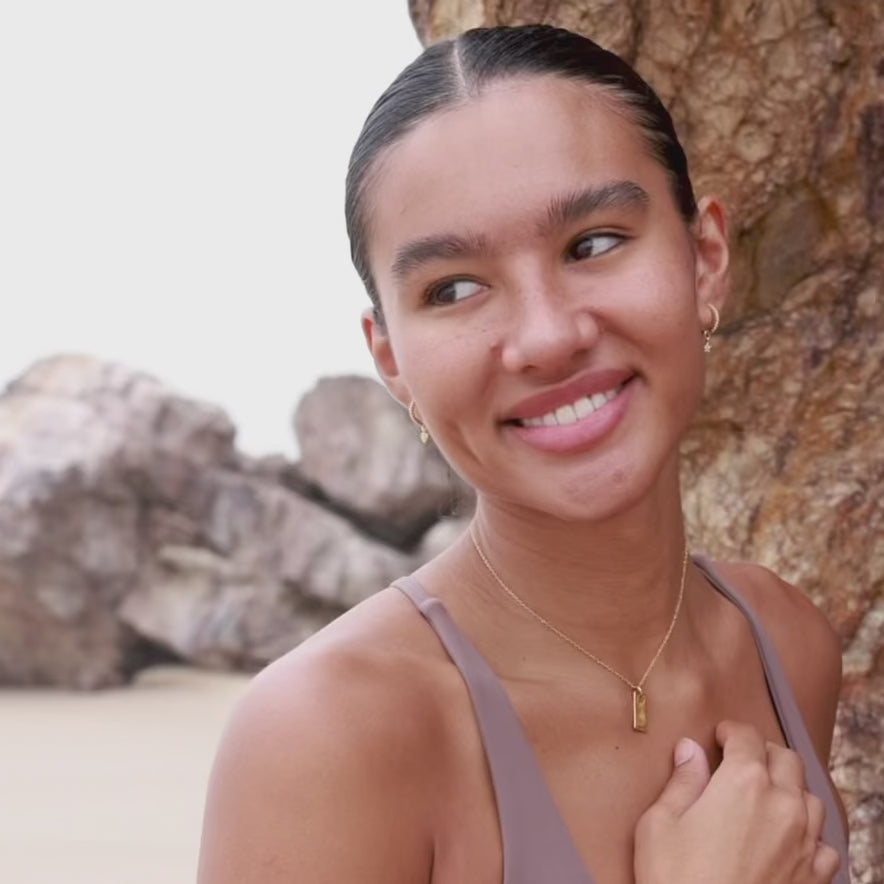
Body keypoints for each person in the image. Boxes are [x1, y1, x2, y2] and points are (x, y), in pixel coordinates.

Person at [197, 24, 849, 884]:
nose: (544, 338)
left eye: (594, 243)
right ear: (391, 357)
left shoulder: (783, 643)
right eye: (455, 289)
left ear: (705, 258)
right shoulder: (327, 738)